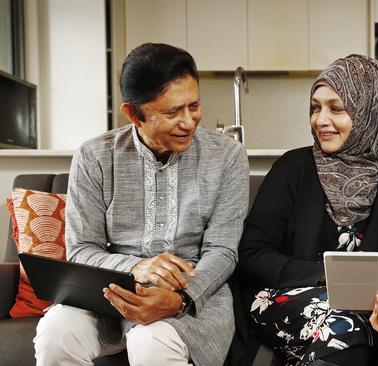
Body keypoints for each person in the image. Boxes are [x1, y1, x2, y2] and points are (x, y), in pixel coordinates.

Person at [33, 43, 249, 366]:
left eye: (194, 105)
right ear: (134, 113)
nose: (189, 121)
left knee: (151, 344)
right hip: (107, 295)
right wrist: (137, 268)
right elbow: (81, 249)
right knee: (55, 333)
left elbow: (223, 251)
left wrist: (178, 299)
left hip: (193, 298)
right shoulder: (94, 157)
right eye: (173, 112)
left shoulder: (227, 157)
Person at [233, 55, 378, 366]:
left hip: (363, 307)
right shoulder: (291, 169)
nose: (320, 120)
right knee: (344, 329)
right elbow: (252, 256)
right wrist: (331, 277)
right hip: (277, 296)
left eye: (336, 108)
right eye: (315, 107)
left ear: (370, 112)